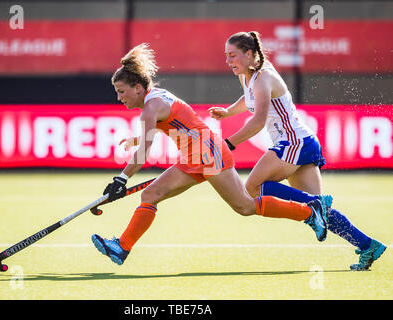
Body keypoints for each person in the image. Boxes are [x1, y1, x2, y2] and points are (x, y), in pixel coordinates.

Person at [91, 43, 332, 266]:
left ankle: (309, 213)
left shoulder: (151, 107)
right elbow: (171, 126)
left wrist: (121, 178)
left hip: (209, 154)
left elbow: (144, 150)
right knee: (151, 194)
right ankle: (122, 248)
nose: (119, 97)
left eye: (121, 91)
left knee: (245, 207)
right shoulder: (154, 99)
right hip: (193, 157)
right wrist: (137, 141)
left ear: (138, 87)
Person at [208, 31, 386, 271]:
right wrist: (228, 112)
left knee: (253, 187)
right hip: (303, 143)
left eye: (233, 56)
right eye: (226, 56)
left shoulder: (263, 77)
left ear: (250, 54)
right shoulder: (248, 76)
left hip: (293, 143)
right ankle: (367, 245)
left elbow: (258, 121)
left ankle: (314, 203)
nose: (228, 61)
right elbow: (250, 99)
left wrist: (228, 143)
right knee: (323, 214)